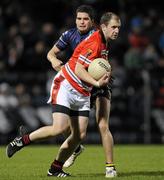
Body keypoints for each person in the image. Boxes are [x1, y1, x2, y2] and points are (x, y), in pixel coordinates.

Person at [6, 11, 121, 178]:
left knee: (79, 136)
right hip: (66, 85)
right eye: (114, 27)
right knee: (59, 128)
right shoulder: (95, 42)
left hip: (83, 91)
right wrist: (97, 83)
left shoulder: (104, 41)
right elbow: (79, 69)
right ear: (103, 27)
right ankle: (22, 140)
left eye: (118, 27)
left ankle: (54, 169)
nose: (117, 30)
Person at [47, 5, 96, 168]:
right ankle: (75, 148)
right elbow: (50, 53)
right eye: (79, 18)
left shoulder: (96, 37)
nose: (81, 22)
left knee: (102, 125)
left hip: (93, 83)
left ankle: (110, 167)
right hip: (73, 83)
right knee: (64, 127)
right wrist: (54, 60)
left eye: (85, 19)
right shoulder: (69, 34)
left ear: (92, 21)